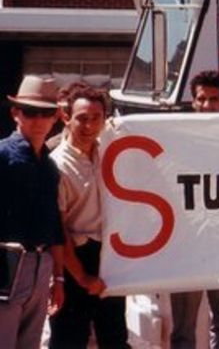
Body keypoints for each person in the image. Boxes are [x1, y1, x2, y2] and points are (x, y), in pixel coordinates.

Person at [48, 84, 129, 348]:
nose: (89, 125)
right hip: (75, 260)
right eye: (82, 117)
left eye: (96, 118)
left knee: (114, 336)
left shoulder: (109, 153)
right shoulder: (56, 165)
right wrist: (82, 277)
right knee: (69, 339)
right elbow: (59, 230)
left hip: (109, 256)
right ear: (66, 117)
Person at [170, 71, 219, 349]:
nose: (208, 106)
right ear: (193, 101)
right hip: (187, 244)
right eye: (202, 99)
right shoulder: (173, 136)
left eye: (214, 99)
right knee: (183, 328)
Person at [0, 75, 65, 349]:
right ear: (16, 113)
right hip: (5, 262)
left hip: (40, 265)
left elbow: (54, 226)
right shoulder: (2, 156)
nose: (38, 120)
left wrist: (58, 278)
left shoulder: (49, 167)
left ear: (56, 118)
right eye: (30, 112)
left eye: (46, 113)